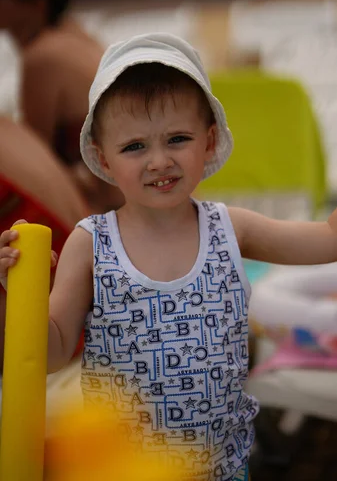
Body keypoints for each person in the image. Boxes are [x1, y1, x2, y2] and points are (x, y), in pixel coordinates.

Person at [1, 32, 337, 481]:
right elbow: (52, 352)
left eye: (177, 138)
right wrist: (17, 294)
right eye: (134, 146)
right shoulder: (92, 243)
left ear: (209, 141)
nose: (158, 161)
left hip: (221, 469)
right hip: (122, 470)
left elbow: (325, 240)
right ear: (103, 158)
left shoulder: (232, 228)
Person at [0, 0, 123, 212]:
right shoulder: (74, 36)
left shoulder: (42, 58)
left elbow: (35, 167)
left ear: (37, 4)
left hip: (122, 216)